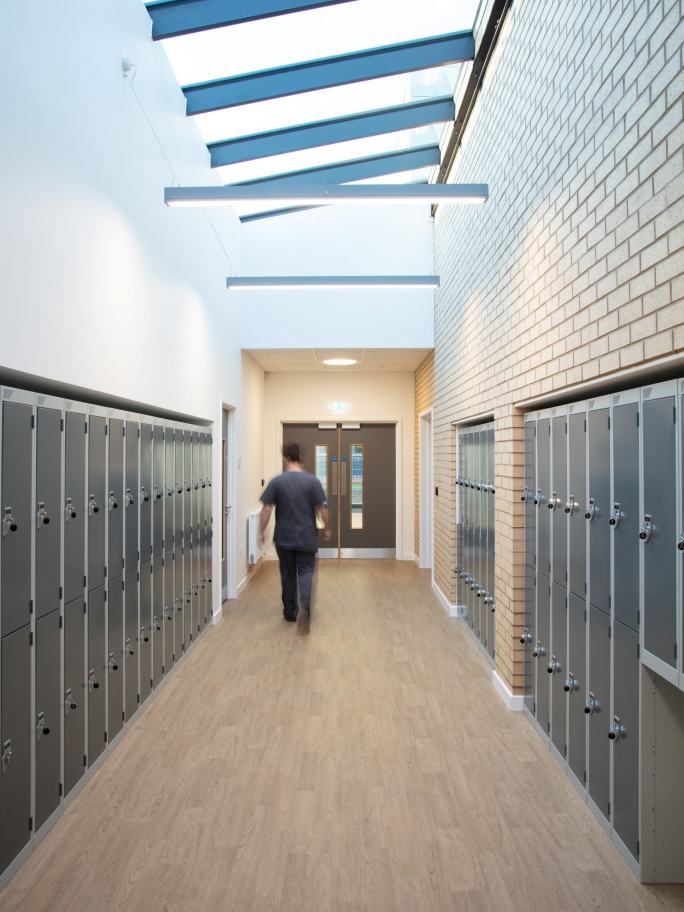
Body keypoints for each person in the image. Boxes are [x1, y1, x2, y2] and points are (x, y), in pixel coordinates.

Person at [258, 442, 331, 623]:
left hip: (284, 537)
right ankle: (305, 598)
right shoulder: (312, 481)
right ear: (300, 458)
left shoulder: (276, 481)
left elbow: (266, 509)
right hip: (306, 536)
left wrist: (261, 531)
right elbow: (321, 508)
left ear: (284, 458)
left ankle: (290, 612)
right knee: (306, 570)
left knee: (288, 573)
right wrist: (327, 528)